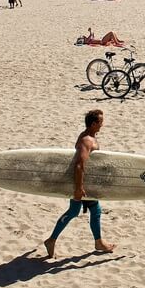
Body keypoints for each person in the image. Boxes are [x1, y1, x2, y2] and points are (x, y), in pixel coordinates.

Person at [44, 110, 116, 258]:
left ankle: (97, 242)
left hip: (86, 182)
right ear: (94, 123)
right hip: (81, 182)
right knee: (88, 211)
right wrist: (79, 187)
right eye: (100, 122)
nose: (102, 124)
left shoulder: (90, 137)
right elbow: (79, 165)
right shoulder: (87, 140)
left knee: (78, 212)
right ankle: (53, 240)